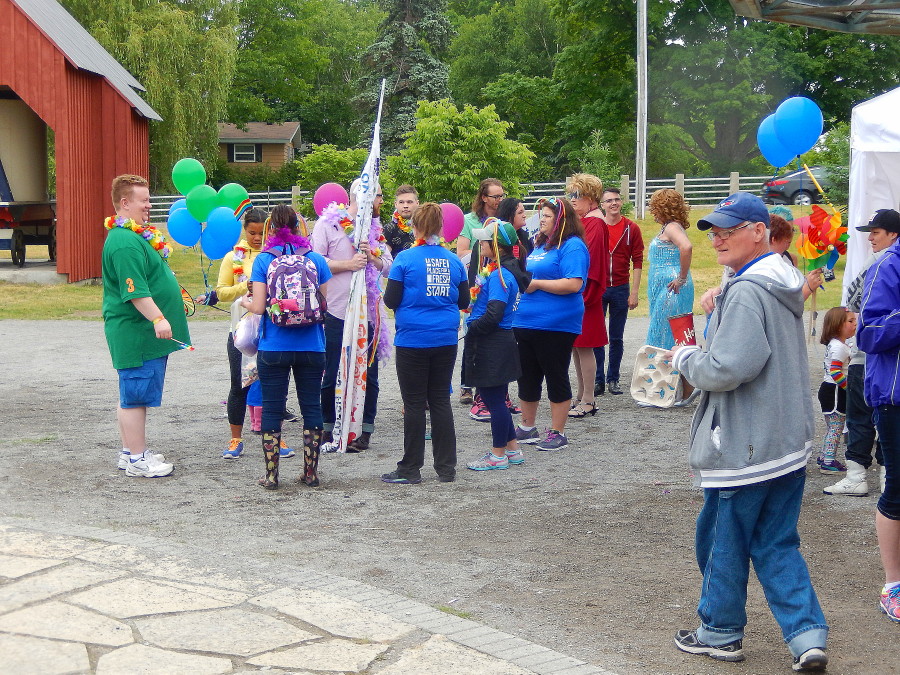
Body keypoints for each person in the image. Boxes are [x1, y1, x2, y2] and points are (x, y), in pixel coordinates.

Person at [671, 192, 828, 672]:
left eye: (728, 228)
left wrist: (684, 358)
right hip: (786, 440)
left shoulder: (746, 290)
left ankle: (719, 631)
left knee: (721, 539)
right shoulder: (780, 281)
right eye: (714, 229)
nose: (716, 237)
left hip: (745, 443)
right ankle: (807, 635)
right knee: (777, 540)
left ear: (758, 230)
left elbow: (726, 368)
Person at [102, 174, 187, 478]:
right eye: (144, 200)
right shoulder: (124, 242)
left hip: (138, 334)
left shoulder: (133, 236)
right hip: (136, 333)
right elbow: (135, 291)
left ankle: (129, 453)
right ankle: (138, 459)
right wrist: (158, 317)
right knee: (135, 394)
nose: (149, 206)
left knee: (131, 392)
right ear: (125, 203)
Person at [242, 205, 331, 489]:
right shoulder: (316, 260)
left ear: (270, 229)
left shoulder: (263, 260)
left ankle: (271, 476)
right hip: (312, 345)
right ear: (298, 226)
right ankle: (311, 472)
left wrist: (245, 302)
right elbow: (323, 306)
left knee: (272, 408)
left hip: (274, 345)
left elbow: (258, 307)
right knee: (311, 407)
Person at [382, 203, 469, 484]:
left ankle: (410, 468)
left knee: (415, 403)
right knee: (441, 401)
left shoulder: (404, 260)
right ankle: (447, 468)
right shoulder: (454, 261)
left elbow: (391, 300)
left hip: (412, 339)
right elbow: (465, 301)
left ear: (415, 227)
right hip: (445, 338)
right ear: (441, 229)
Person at [199, 208, 295, 461]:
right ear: (245, 231)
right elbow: (221, 292)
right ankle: (235, 438)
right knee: (238, 386)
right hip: (241, 331)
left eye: (260, 232)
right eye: (251, 232)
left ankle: (275, 436)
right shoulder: (233, 257)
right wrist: (247, 285)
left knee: (274, 386)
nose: (256, 237)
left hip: (272, 329)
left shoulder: (278, 255)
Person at [311, 181, 392, 451]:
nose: (382, 201)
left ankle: (364, 430)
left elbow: (389, 267)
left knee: (369, 372)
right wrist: (349, 264)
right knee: (331, 369)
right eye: (378, 196)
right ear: (363, 196)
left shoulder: (376, 229)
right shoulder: (328, 224)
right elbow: (315, 263)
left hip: (368, 313)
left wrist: (374, 260)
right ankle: (327, 427)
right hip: (336, 310)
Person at [825, 210, 898, 496]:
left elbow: (854, 301)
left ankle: (862, 475)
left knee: (865, 418)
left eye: (876, 232)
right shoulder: (879, 261)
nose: (870, 238)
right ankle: (877, 475)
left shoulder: (882, 263)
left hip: (872, 358)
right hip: (867, 357)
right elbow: (852, 303)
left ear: (893, 234)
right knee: (868, 417)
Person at [513, 197, 589, 452]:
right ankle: (527, 426)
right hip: (525, 321)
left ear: (560, 220)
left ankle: (558, 431)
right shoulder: (539, 245)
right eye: (541, 215)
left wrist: (536, 284)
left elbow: (574, 283)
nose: (541, 219)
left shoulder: (572, 246)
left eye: (547, 215)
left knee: (555, 375)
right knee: (527, 375)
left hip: (555, 324)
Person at [856, 207, 900, 623]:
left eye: (876, 231)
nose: (870, 237)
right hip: (895, 397)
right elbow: (866, 333)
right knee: (898, 492)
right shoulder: (887, 266)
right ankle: (893, 585)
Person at [463, 219, 529, 471]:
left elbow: (495, 313)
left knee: (493, 401)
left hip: (492, 343)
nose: (480, 244)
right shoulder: (504, 270)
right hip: (500, 341)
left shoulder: (499, 274)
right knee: (497, 399)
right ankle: (512, 449)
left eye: (483, 240)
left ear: (496, 245)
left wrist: (472, 327)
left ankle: (497, 455)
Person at [457, 178, 505, 406]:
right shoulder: (469, 220)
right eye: (495, 196)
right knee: (472, 334)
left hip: (496, 278)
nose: (499, 200)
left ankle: (488, 386)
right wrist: (484, 247)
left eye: (501, 196)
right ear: (484, 198)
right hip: (476, 280)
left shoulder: (501, 220)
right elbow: (461, 250)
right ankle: (466, 385)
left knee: (492, 334)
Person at [566, 174, 609, 419]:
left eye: (577, 196)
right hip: (582, 293)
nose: (573, 200)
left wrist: (583, 295)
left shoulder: (594, 223)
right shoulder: (587, 221)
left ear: (590, 198)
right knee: (577, 346)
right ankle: (582, 394)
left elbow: (588, 262)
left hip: (587, 294)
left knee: (585, 348)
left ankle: (589, 399)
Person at [594, 187, 643, 397]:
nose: (613, 203)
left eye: (616, 200)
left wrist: (634, 292)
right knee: (596, 337)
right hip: (599, 288)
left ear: (621, 202)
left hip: (621, 288)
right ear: (602, 205)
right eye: (608, 201)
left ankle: (613, 378)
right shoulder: (596, 227)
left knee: (616, 337)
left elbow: (638, 261)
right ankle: (597, 380)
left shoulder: (632, 228)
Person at [646, 189, 694, 350]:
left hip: (671, 286)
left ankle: (662, 369)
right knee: (669, 330)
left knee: (662, 331)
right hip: (667, 285)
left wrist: (681, 278)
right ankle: (672, 371)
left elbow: (686, 247)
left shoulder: (671, 227)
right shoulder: (672, 226)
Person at [816, 306, 856, 473]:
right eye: (851, 321)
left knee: (831, 426)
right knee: (836, 428)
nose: (855, 324)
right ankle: (828, 461)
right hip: (835, 391)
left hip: (828, 389)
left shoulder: (836, 344)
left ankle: (825, 455)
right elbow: (836, 372)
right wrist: (850, 389)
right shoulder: (840, 347)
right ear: (838, 325)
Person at [384, 184, 419, 255]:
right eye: (401, 202)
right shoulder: (389, 228)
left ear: (417, 203)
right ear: (395, 204)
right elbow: (384, 258)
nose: (405, 206)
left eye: (409, 202)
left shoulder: (425, 226)